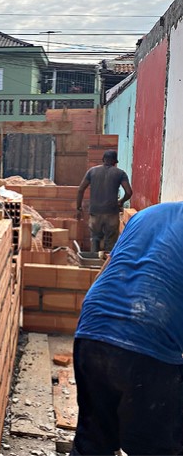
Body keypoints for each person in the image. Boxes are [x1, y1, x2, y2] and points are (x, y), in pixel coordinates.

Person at [71, 202, 183, 455]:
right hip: (148, 340)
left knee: (93, 440)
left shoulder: (148, 214)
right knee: (158, 446)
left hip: (92, 328)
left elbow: (106, 269)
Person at [76, 150, 132, 252]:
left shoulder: (92, 171)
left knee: (95, 238)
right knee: (110, 241)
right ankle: (107, 265)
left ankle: (93, 263)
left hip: (95, 213)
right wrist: (121, 201)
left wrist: (78, 208)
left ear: (103, 160)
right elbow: (128, 192)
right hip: (112, 213)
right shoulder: (120, 173)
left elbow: (80, 189)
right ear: (115, 162)